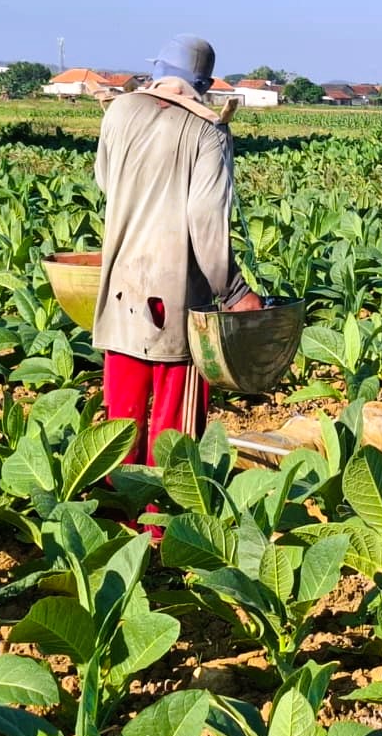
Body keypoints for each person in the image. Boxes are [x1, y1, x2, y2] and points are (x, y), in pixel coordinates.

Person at [93, 34, 262, 479]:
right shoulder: (208, 130)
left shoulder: (120, 111)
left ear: (159, 71)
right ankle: (162, 534)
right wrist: (236, 291)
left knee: (120, 423)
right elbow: (206, 221)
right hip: (179, 301)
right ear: (203, 83)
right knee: (175, 432)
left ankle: (117, 524)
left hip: (121, 289)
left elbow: (107, 183)